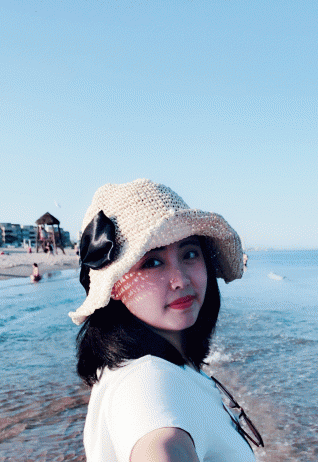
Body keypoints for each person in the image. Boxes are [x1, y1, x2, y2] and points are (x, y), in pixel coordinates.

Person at [70, 179, 263, 462]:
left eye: (189, 254)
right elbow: (161, 445)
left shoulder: (148, 367)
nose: (181, 280)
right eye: (152, 262)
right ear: (114, 287)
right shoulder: (146, 382)